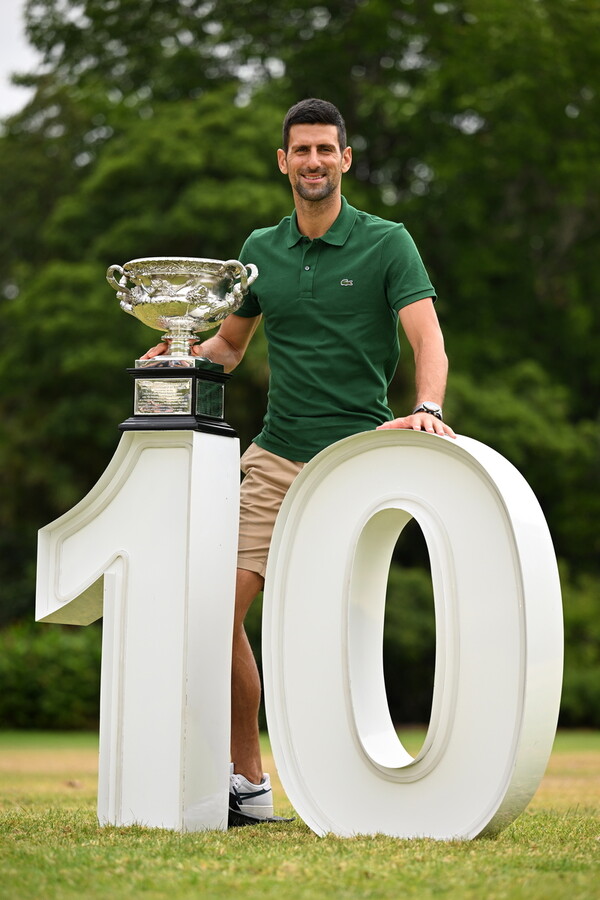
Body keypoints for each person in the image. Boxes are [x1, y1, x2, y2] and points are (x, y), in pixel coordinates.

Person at [142, 98, 456, 822]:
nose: (313, 161)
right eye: (301, 151)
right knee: (216, 610)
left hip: (355, 461)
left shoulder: (388, 242)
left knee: (326, 634)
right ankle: (249, 785)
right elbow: (229, 347)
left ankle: (356, 780)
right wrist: (181, 357)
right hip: (277, 459)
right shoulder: (262, 250)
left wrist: (428, 407)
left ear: (345, 159)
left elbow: (426, 339)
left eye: (326, 150)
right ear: (283, 162)